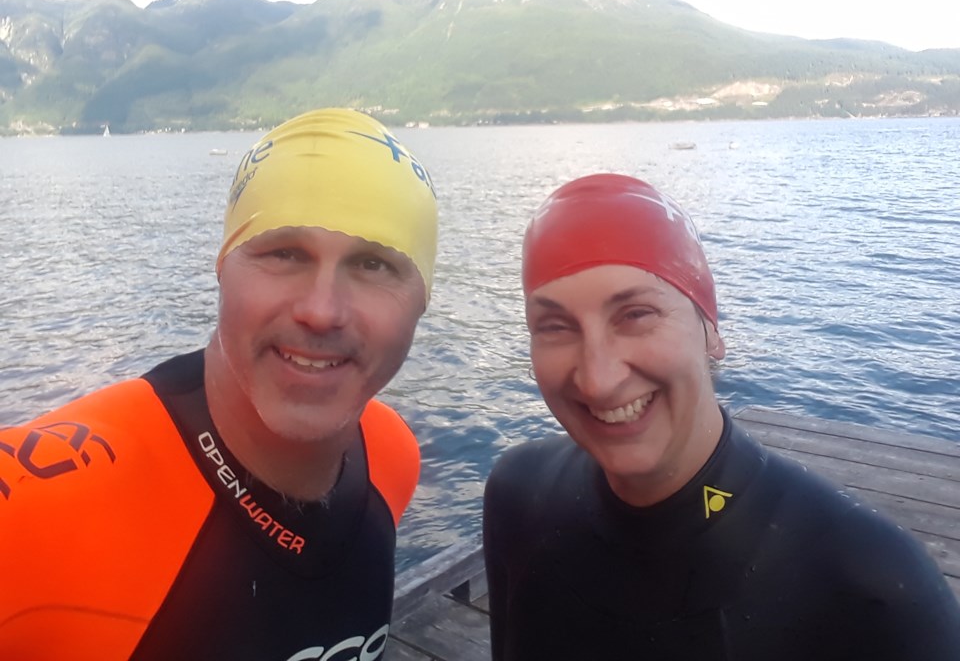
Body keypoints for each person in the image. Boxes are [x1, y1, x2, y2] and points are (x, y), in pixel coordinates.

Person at [0, 108, 438, 661]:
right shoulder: (39, 512)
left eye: (374, 264)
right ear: (223, 265)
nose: (322, 311)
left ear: (422, 299)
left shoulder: (391, 454)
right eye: (284, 253)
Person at [483, 172, 960, 660]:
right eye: (556, 326)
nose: (598, 379)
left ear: (711, 330)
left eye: (636, 315)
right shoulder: (518, 494)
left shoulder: (875, 588)